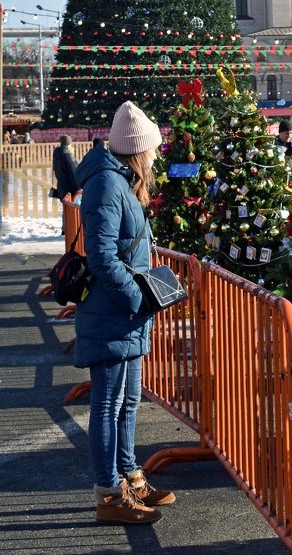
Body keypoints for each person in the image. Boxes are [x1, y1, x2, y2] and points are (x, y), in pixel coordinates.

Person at [75, 101, 175, 525]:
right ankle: (108, 492)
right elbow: (101, 257)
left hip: (126, 314)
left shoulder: (121, 182)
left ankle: (130, 475)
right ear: (138, 149)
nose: (155, 155)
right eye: (152, 148)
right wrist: (138, 297)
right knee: (108, 404)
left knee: (128, 401)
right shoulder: (106, 185)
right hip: (114, 311)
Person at [52, 136, 79, 231]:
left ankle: (65, 228)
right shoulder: (67, 157)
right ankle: (68, 229)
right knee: (72, 210)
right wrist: (78, 189)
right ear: (69, 145)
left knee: (66, 209)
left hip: (62, 187)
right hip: (70, 188)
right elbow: (74, 174)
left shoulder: (57, 155)